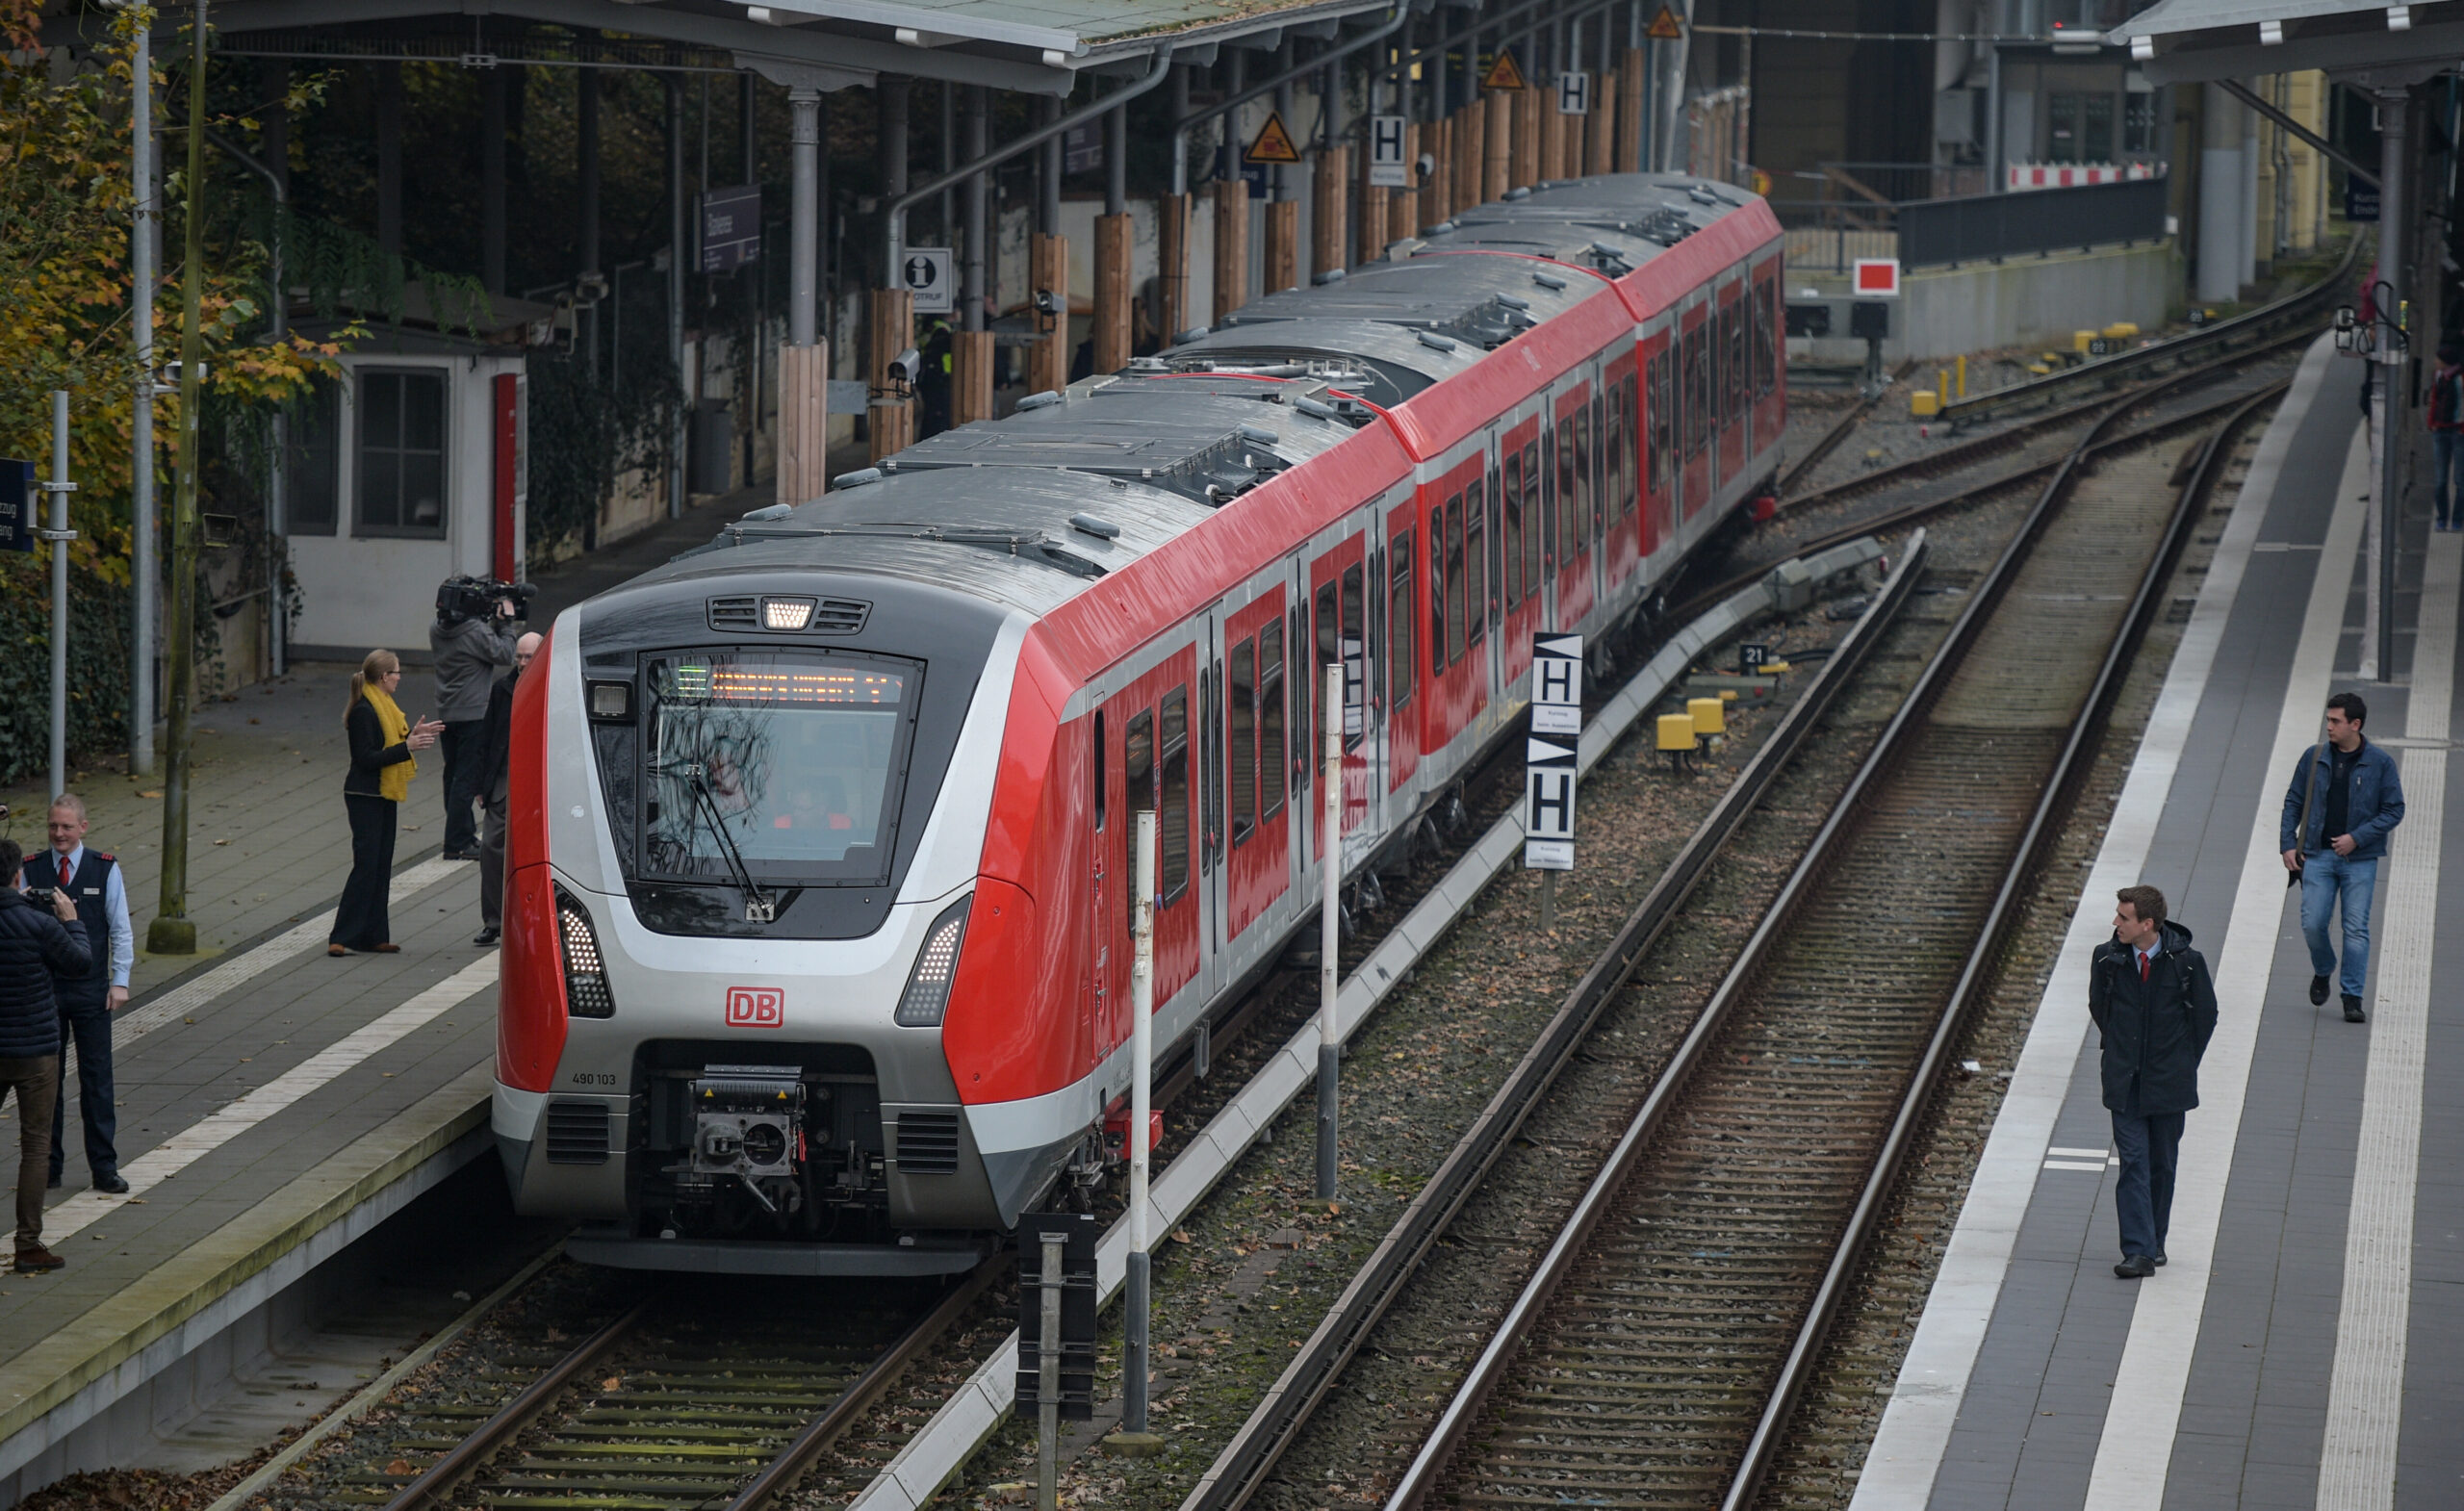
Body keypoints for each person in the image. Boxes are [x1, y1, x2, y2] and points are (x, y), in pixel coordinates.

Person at [2088, 885, 2219, 1280]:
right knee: (2133, 1163)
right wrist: (2120, 1053)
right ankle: (2139, 1251)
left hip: (2168, 1085)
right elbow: (2100, 1007)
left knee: (2162, 1164)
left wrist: (2181, 1062)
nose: (2116, 923)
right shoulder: (2107, 958)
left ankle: (2155, 1240)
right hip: (2124, 1083)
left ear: (2147, 924)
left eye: (2123, 917)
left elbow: (2205, 1018)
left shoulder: (2188, 963)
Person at [22, 795, 133, 1193]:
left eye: (67, 827)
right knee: (46, 1083)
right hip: (44, 993)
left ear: (83, 827)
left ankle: (104, 1167)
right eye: (53, 826)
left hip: (91, 993)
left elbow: (119, 928)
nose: (59, 834)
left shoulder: (104, 869)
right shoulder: (30, 868)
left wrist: (120, 980)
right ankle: (49, 1167)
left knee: (97, 1081)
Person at [2279, 691, 2404, 1023]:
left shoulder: (2380, 763)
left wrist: (2356, 838)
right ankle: (2323, 969)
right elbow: (2294, 800)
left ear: (2355, 724)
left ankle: (2352, 996)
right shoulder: (2315, 756)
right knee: (2313, 923)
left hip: (2360, 860)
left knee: (2356, 928)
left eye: (2335, 721)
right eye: (2328, 720)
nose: (2329, 727)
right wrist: (2287, 844)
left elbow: (2395, 809)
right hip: (2317, 855)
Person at [0, 835, 92, 1273]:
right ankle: (28, 1245)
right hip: (36, 1050)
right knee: (36, 1146)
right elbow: (80, 963)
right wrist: (72, 921)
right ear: (18, 875)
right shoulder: (39, 924)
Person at [332, 650, 444, 957]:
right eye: (396, 673)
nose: (398, 678)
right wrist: (406, 747)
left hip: (384, 795)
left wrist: (413, 736)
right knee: (366, 865)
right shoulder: (364, 711)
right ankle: (341, 935)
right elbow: (366, 758)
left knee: (381, 866)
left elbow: (392, 744)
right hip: (364, 795)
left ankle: (373, 935)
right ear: (384, 677)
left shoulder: (387, 707)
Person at [429, 585, 519, 859]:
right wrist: (506, 624)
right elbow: (505, 654)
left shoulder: (437, 629)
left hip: (447, 711)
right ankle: (456, 842)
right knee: (465, 780)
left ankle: (462, 832)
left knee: (453, 775)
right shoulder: (475, 632)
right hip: (473, 714)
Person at [473, 631, 542, 947]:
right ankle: (494, 921)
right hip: (503, 782)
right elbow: (486, 738)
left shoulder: (553, 685)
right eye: (519, 657)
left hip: (538, 784)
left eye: (529, 657)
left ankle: (531, 921)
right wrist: (481, 785)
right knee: (491, 851)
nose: (523, 663)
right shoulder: (503, 688)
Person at [2428, 341, 2464, 530]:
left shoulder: (2460, 379)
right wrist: (2431, 423)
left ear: (2446, 361)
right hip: (2440, 430)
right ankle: (2442, 518)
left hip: (2458, 431)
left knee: (2460, 479)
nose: (2435, 362)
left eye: (2438, 359)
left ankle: (2457, 519)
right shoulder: (2438, 377)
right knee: (2440, 479)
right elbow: (2434, 400)